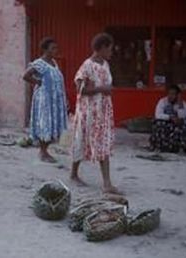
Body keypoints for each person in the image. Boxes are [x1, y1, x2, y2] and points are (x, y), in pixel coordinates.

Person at [70, 33, 120, 194]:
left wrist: (106, 91)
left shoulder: (105, 64)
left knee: (103, 143)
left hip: (103, 112)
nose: (111, 52)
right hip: (88, 112)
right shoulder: (87, 65)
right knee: (81, 140)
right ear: (102, 48)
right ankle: (73, 173)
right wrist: (101, 89)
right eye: (110, 49)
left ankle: (107, 183)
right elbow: (79, 88)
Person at [23, 37, 68, 163]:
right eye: (53, 48)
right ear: (45, 49)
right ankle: (42, 152)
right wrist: (38, 81)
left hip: (55, 100)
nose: (55, 50)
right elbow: (26, 76)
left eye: (56, 48)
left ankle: (45, 150)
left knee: (52, 123)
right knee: (45, 123)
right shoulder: (39, 63)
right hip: (45, 100)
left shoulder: (54, 62)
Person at [149, 85, 186, 153]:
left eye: (173, 94)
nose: (170, 96)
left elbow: (183, 116)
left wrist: (180, 104)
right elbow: (158, 114)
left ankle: (178, 148)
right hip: (165, 122)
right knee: (158, 125)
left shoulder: (182, 103)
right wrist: (170, 117)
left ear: (177, 95)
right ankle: (158, 147)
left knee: (183, 128)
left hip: (176, 124)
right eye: (169, 93)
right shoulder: (162, 101)